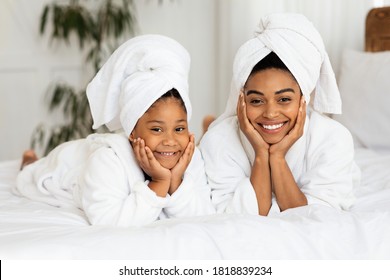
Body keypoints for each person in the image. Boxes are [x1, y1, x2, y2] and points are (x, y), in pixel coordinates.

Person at [14, 34, 215, 227]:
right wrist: (160, 182)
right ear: (132, 132)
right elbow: (108, 220)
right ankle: (29, 159)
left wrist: (177, 180)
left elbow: (203, 214)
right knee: (34, 172)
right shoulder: (108, 160)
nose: (170, 140)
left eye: (179, 128)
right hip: (70, 162)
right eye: (156, 129)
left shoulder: (189, 157)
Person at [199, 13, 360, 216]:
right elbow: (239, 217)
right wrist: (260, 155)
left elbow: (316, 218)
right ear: (242, 100)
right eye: (256, 101)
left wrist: (277, 157)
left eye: (284, 99)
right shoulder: (219, 141)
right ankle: (206, 126)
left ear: (304, 98)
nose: (271, 113)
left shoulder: (333, 138)